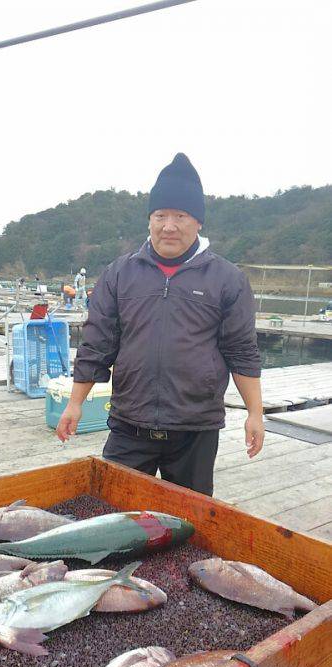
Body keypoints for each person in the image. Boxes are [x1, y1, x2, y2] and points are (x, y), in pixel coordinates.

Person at [56, 153, 264, 496]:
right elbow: (97, 345)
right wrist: (75, 402)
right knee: (111, 509)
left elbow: (241, 351)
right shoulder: (119, 273)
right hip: (129, 423)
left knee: (188, 522)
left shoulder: (228, 279)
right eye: (160, 215)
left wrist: (255, 412)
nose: (169, 225)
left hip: (194, 430)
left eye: (181, 215)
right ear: (149, 220)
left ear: (198, 222)